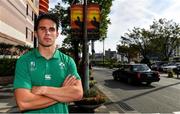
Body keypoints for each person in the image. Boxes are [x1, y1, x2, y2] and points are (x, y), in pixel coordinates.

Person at [13, 13, 83, 113]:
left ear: (57, 34)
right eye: (42, 29)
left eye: (51, 29)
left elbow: (78, 94)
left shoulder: (68, 61)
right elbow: (24, 103)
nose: (47, 33)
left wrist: (44, 89)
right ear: (36, 33)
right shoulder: (24, 61)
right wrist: (62, 92)